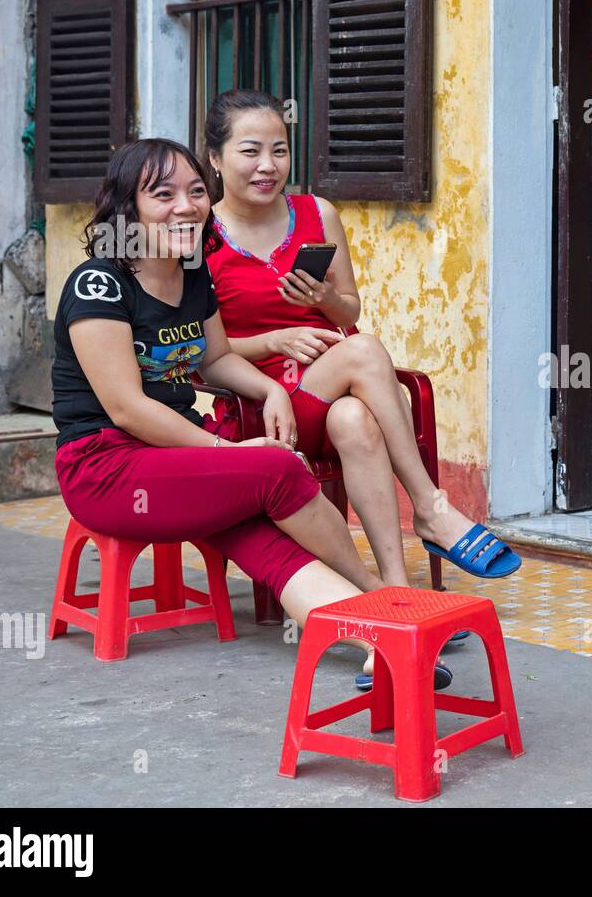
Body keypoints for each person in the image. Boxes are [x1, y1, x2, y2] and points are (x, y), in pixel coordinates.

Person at [51, 138, 420, 686]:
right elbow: (127, 410)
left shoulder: (191, 272)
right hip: (106, 468)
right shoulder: (100, 285)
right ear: (128, 207)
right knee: (274, 468)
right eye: (164, 194)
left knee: (260, 535)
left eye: (197, 191)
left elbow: (216, 358)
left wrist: (270, 391)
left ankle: (377, 640)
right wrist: (228, 452)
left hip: (173, 458)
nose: (186, 205)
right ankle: (384, 599)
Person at [201, 89, 521, 609]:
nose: (268, 166)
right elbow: (197, 350)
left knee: (355, 417)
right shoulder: (199, 238)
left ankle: (396, 593)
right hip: (262, 411)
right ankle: (429, 505)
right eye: (250, 151)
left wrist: (326, 298)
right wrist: (273, 340)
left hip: (329, 395)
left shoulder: (317, 214)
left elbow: (349, 311)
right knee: (366, 351)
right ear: (215, 158)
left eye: (279, 150)